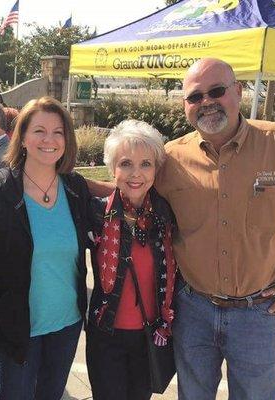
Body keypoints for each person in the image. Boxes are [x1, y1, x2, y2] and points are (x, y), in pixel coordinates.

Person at [154, 58, 275, 399]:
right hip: (193, 309)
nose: (206, 103)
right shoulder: (171, 159)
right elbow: (130, 192)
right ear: (184, 104)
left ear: (239, 92)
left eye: (216, 91)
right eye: (194, 97)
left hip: (260, 313)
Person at [0, 96, 90, 400]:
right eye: (39, 131)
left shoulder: (75, 188)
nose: (49, 139)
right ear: (22, 139)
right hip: (16, 326)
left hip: (67, 322)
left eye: (58, 132)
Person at [86, 120, 176, 400]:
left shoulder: (165, 216)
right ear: (113, 169)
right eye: (125, 163)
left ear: (156, 169)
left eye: (146, 164)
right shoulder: (96, 214)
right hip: (106, 335)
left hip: (148, 336)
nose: (136, 174)